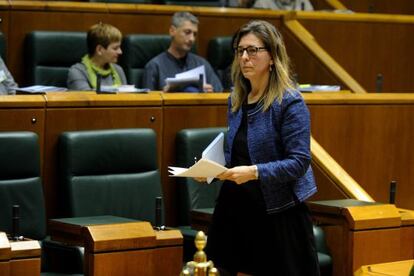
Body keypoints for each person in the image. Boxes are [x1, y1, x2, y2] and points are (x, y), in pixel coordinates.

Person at [204, 20, 320, 275]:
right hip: (236, 207)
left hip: (277, 212)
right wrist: (211, 170)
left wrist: (255, 172)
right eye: (240, 50)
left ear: (272, 57)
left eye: (253, 50)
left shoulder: (290, 102)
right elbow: (240, 152)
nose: (244, 57)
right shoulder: (236, 99)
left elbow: (300, 162)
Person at [142, 12, 223, 92]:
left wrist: (210, 92)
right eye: (187, 32)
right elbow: (147, 102)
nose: (192, 39)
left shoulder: (202, 63)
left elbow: (219, 93)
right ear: (172, 31)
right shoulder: (154, 66)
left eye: (194, 34)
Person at [67, 23, 127, 91]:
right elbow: (87, 98)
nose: (120, 52)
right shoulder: (77, 71)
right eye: (115, 48)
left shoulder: (118, 70)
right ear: (99, 50)